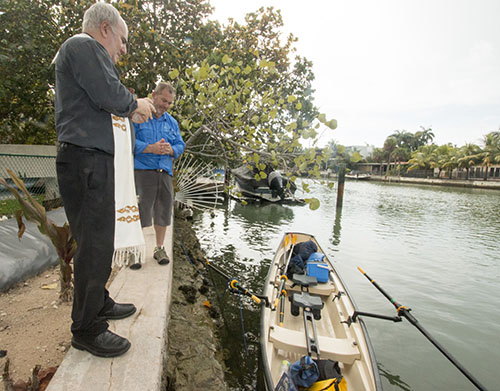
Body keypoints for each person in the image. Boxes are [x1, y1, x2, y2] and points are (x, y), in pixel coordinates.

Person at [54, 2, 155, 357]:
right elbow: (109, 94)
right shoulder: (82, 46)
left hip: (92, 160)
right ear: (106, 29)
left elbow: (104, 98)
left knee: (99, 240)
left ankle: (98, 301)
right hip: (84, 160)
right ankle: (86, 328)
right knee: (94, 244)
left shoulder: (87, 52)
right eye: (123, 40)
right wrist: (135, 104)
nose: (124, 49)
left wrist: (131, 111)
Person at [133, 82, 185, 268]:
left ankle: (159, 248)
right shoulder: (139, 116)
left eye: (169, 103)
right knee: (140, 213)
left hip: (165, 173)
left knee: (163, 212)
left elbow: (181, 145)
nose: (165, 105)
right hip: (142, 172)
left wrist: (172, 149)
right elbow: (129, 142)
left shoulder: (172, 122)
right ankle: (135, 252)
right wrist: (150, 148)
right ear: (154, 94)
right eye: (163, 100)